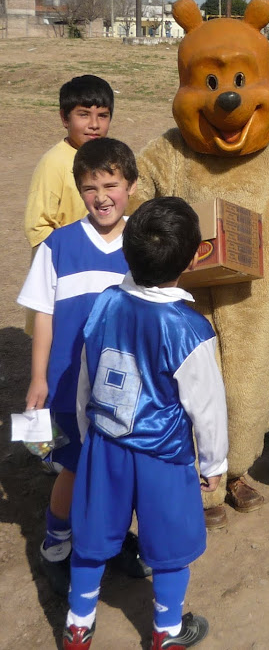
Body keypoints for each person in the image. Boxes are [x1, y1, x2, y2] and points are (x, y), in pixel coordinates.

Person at [63, 197, 229, 650]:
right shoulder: (190, 329)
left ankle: (78, 625)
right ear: (196, 256)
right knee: (170, 546)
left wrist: (86, 434)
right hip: (164, 456)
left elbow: (85, 377)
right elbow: (207, 408)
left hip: (105, 443)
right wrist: (215, 463)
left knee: (92, 536)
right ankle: (167, 631)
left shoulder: (105, 304)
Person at [17, 138, 148, 596]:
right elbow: (43, 317)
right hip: (70, 387)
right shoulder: (60, 246)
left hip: (128, 391)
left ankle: (111, 540)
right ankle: (56, 545)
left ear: (131, 185)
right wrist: (38, 379)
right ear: (79, 190)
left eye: (111, 183)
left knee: (122, 468)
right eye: (90, 187)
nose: (102, 196)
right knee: (73, 468)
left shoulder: (144, 244)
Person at [23, 75, 114, 344]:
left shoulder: (108, 159)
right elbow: (38, 228)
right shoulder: (55, 163)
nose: (94, 125)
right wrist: (74, 259)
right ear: (65, 118)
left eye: (103, 115)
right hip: (67, 278)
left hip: (101, 273)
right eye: (83, 115)